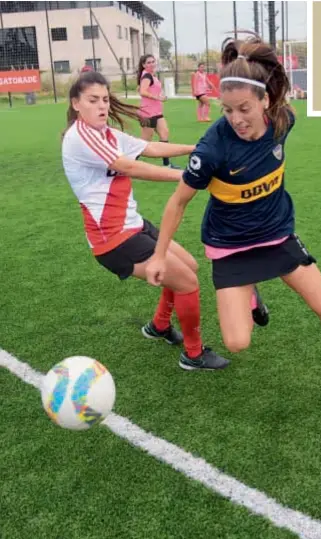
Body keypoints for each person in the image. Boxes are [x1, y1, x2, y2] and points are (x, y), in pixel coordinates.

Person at [144, 36, 321, 427]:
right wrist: (159, 255)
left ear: (265, 101)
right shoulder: (211, 149)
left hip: (277, 235)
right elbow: (177, 203)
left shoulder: (283, 121)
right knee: (238, 342)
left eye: (244, 108)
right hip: (230, 248)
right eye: (227, 110)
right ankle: (252, 294)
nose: (236, 119)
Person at [61, 70, 229, 371]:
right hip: (113, 240)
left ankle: (159, 326)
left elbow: (150, 148)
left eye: (104, 100)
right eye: (92, 100)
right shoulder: (81, 136)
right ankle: (194, 354)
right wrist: (187, 175)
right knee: (187, 282)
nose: (102, 106)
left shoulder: (106, 133)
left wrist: (197, 149)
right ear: (76, 103)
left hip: (132, 224)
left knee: (187, 267)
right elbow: (128, 166)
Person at [136, 54, 179, 169]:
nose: (151, 64)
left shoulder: (151, 76)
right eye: (148, 62)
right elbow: (142, 91)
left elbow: (141, 89)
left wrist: (160, 96)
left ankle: (167, 164)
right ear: (144, 65)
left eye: (153, 61)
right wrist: (158, 97)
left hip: (157, 112)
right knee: (144, 142)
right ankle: (126, 165)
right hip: (148, 113)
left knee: (164, 134)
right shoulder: (147, 76)